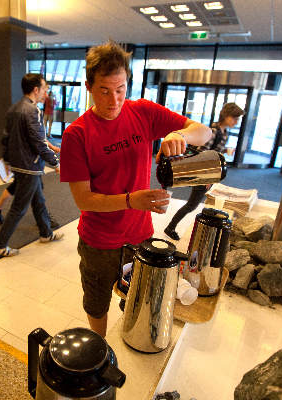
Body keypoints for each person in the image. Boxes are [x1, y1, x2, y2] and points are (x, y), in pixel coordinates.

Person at [59, 41, 212, 337]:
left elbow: (203, 132)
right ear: (88, 85)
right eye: (105, 90)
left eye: (121, 89)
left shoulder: (142, 112)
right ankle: (101, 348)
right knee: (97, 303)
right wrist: (132, 201)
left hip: (139, 235)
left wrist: (178, 135)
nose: (114, 100)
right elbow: (84, 199)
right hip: (99, 241)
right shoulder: (76, 134)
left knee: (137, 295)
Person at [0, 73, 63, 257]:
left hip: (20, 164)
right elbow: (38, 142)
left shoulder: (14, 108)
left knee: (39, 201)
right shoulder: (33, 110)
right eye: (44, 88)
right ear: (36, 89)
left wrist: (6, 160)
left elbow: (6, 138)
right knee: (18, 208)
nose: (46, 92)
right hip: (29, 166)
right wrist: (55, 162)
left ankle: (46, 233)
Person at [163, 103, 245, 240]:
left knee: (192, 204)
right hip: (204, 173)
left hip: (209, 173)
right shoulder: (213, 131)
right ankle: (170, 227)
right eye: (234, 118)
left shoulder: (223, 131)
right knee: (191, 205)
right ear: (226, 116)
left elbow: (213, 151)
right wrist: (207, 177)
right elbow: (202, 155)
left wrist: (224, 151)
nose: (236, 122)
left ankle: (171, 227)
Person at [0, 140, 61, 229]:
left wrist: (7, 159)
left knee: (17, 185)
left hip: (21, 158)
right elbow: (39, 140)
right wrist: (55, 163)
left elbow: (39, 137)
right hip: (29, 162)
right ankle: (43, 219)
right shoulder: (30, 125)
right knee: (35, 190)